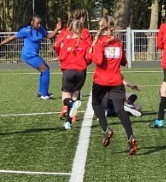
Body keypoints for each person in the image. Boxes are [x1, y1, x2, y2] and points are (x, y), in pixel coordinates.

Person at [87, 15, 137, 155]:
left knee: (96, 103)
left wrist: (92, 52)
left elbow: (98, 61)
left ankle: (106, 129)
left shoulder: (100, 42)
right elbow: (123, 62)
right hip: (116, 80)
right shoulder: (118, 43)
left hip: (101, 80)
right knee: (120, 110)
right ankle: (131, 137)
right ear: (112, 28)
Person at [0, 15, 61, 99]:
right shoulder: (26, 31)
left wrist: (57, 28)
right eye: (37, 23)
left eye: (40, 23)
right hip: (28, 55)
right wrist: (0, 44)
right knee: (45, 70)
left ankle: (41, 92)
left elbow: (50, 36)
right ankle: (44, 95)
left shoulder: (40, 29)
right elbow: (13, 37)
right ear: (32, 23)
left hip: (34, 55)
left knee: (45, 69)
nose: (39, 25)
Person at [54, 9, 92, 129]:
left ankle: (68, 106)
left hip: (68, 69)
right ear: (81, 19)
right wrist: (84, 62)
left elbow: (57, 46)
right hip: (81, 70)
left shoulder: (65, 32)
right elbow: (89, 55)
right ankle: (69, 121)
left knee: (66, 96)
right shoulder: (85, 33)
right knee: (75, 94)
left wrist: (63, 63)